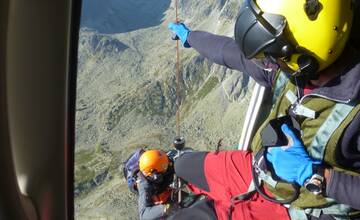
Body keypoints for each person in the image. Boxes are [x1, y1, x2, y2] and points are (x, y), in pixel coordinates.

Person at [168, 0, 360, 219]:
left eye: (273, 53)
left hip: (302, 206)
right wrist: (191, 37)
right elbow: (231, 54)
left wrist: (315, 175)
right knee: (182, 165)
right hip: (260, 169)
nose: (269, 61)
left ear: (303, 49)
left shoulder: (355, 112)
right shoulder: (291, 69)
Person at [123, 149, 177, 220]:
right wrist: (164, 209)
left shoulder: (163, 160)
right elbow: (144, 215)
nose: (166, 167)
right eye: (164, 167)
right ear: (154, 175)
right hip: (156, 196)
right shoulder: (143, 185)